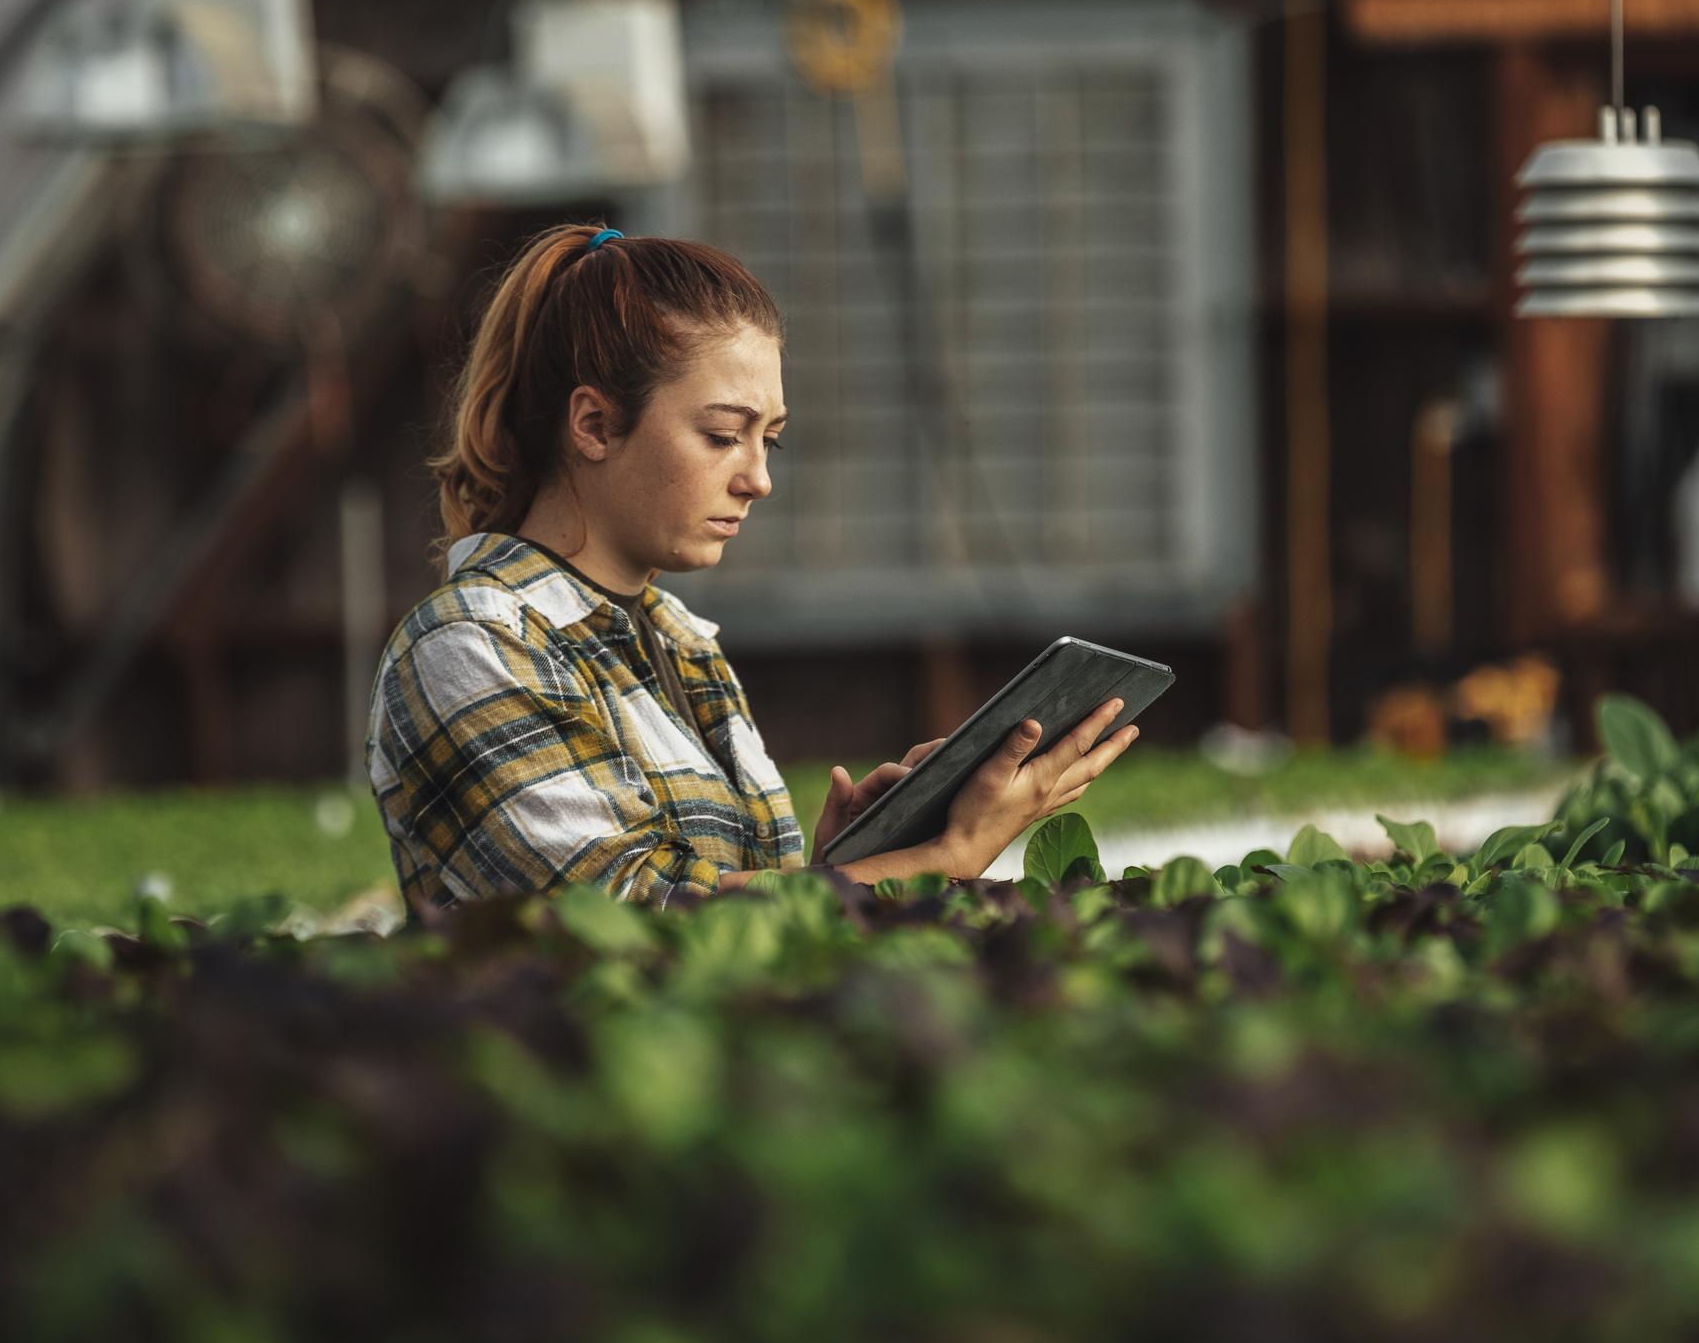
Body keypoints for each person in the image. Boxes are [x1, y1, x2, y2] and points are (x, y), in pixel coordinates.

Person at [365, 224, 1140, 911]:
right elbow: (633, 920)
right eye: (722, 436)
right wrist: (942, 859)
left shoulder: (682, 642)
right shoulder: (469, 646)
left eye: (770, 438)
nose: (758, 479)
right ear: (594, 424)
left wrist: (851, 861)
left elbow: (740, 924)